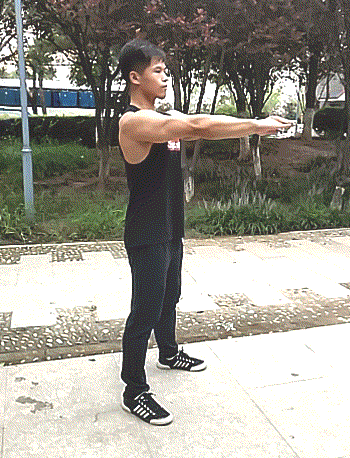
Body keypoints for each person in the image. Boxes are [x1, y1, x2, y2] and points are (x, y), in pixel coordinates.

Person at [117, 38, 293, 426]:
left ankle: (167, 353)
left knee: (170, 296)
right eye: (158, 70)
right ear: (135, 77)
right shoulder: (134, 123)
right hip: (146, 231)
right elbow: (198, 125)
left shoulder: (162, 117)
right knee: (145, 310)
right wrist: (257, 125)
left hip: (170, 226)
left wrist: (245, 126)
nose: (166, 77)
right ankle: (134, 391)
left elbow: (198, 125)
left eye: (166, 70)